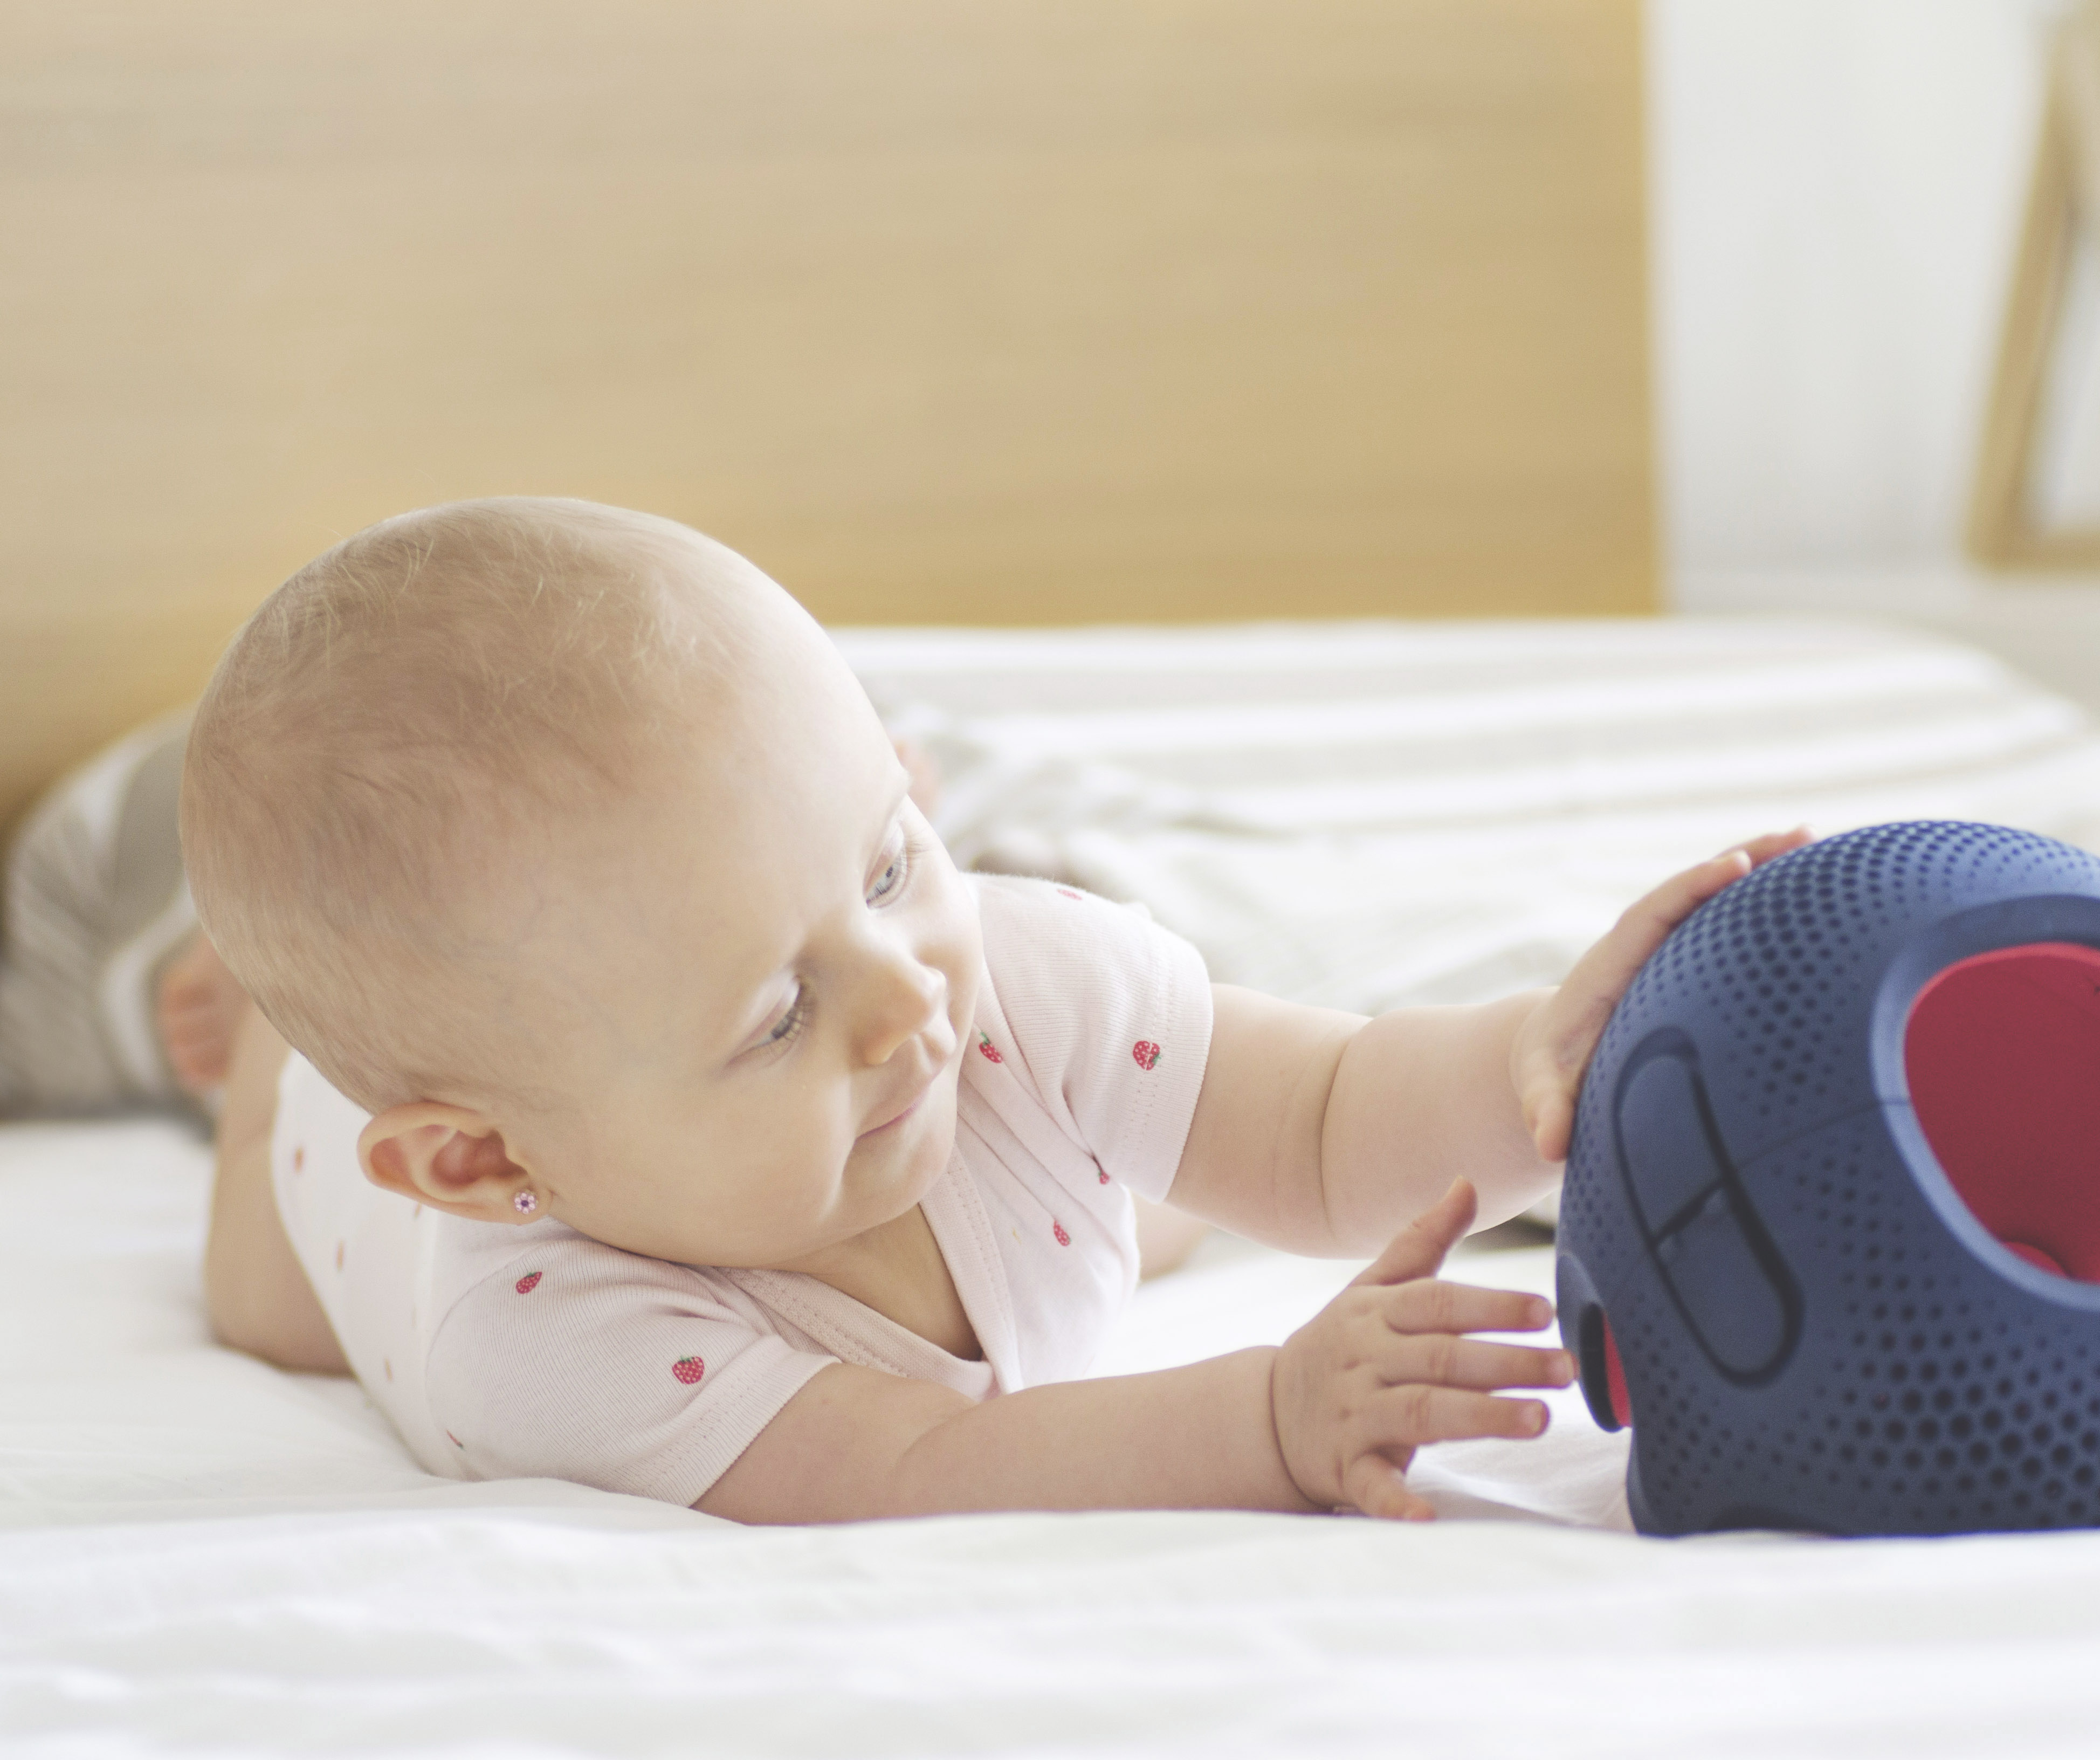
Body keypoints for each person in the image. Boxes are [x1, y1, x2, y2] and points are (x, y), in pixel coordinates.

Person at [161, 498, 1807, 1523]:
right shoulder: (534, 1337)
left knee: (1142, 1155)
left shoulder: (1000, 975)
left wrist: (1526, 1062)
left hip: (988, 1126)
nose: (904, 1005)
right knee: (260, 1295)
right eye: (774, 1014)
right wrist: (1270, 1415)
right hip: (343, 1207)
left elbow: (1319, 1123)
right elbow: (917, 1469)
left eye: (885, 864)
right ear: (473, 1157)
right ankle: (258, 1056)